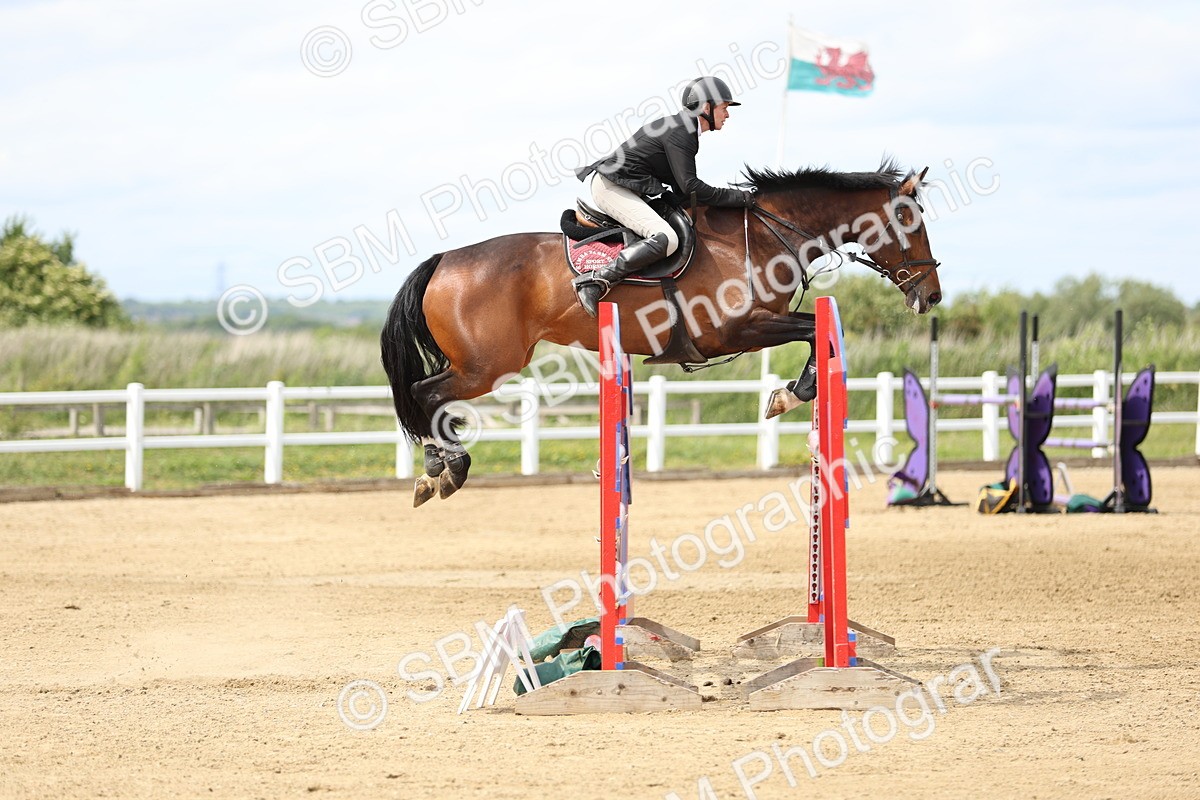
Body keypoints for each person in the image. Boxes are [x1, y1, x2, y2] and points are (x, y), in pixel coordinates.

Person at [571, 76, 756, 318]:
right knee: (665, 237)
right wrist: (741, 198)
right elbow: (692, 187)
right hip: (611, 187)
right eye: (724, 108)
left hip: (623, 186)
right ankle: (596, 280)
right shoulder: (682, 131)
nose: (727, 114)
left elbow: (683, 190)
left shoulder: (684, 128)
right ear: (706, 107)